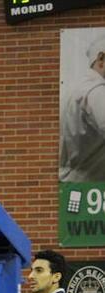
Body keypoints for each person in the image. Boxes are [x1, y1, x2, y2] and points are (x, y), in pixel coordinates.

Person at [60, 35, 105, 183]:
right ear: (101, 59)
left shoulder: (75, 88)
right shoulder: (96, 91)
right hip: (87, 186)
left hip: (69, 182)